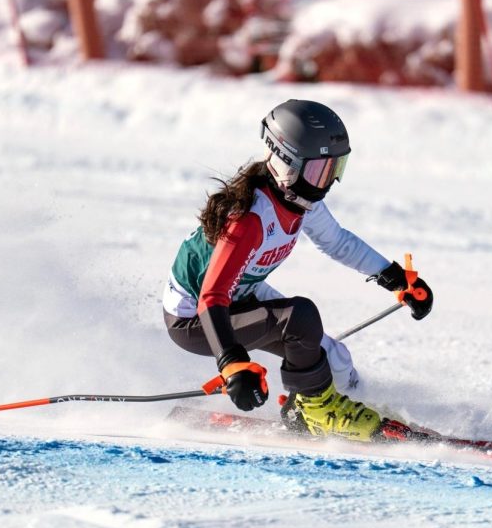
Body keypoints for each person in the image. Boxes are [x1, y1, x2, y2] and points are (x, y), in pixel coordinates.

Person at [162, 99, 433, 442]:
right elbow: (211, 296)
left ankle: (340, 409)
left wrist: (395, 277)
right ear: (286, 164)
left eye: (334, 169)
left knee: (333, 356)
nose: (327, 182)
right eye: (319, 171)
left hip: (241, 293)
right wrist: (231, 362)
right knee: (299, 317)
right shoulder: (249, 220)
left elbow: (337, 242)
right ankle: (321, 411)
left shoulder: (299, 200)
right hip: (195, 318)